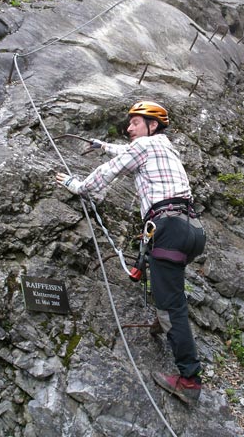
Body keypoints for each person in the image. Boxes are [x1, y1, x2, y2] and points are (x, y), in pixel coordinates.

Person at [56, 100, 206, 405]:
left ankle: (188, 379)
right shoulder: (165, 148)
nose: (128, 128)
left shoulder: (144, 147)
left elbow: (108, 171)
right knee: (166, 282)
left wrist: (77, 185)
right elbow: (125, 152)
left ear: (151, 125)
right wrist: (101, 144)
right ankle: (162, 317)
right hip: (191, 229)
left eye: (134, 123)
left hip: (167, 228)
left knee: (171, 307)